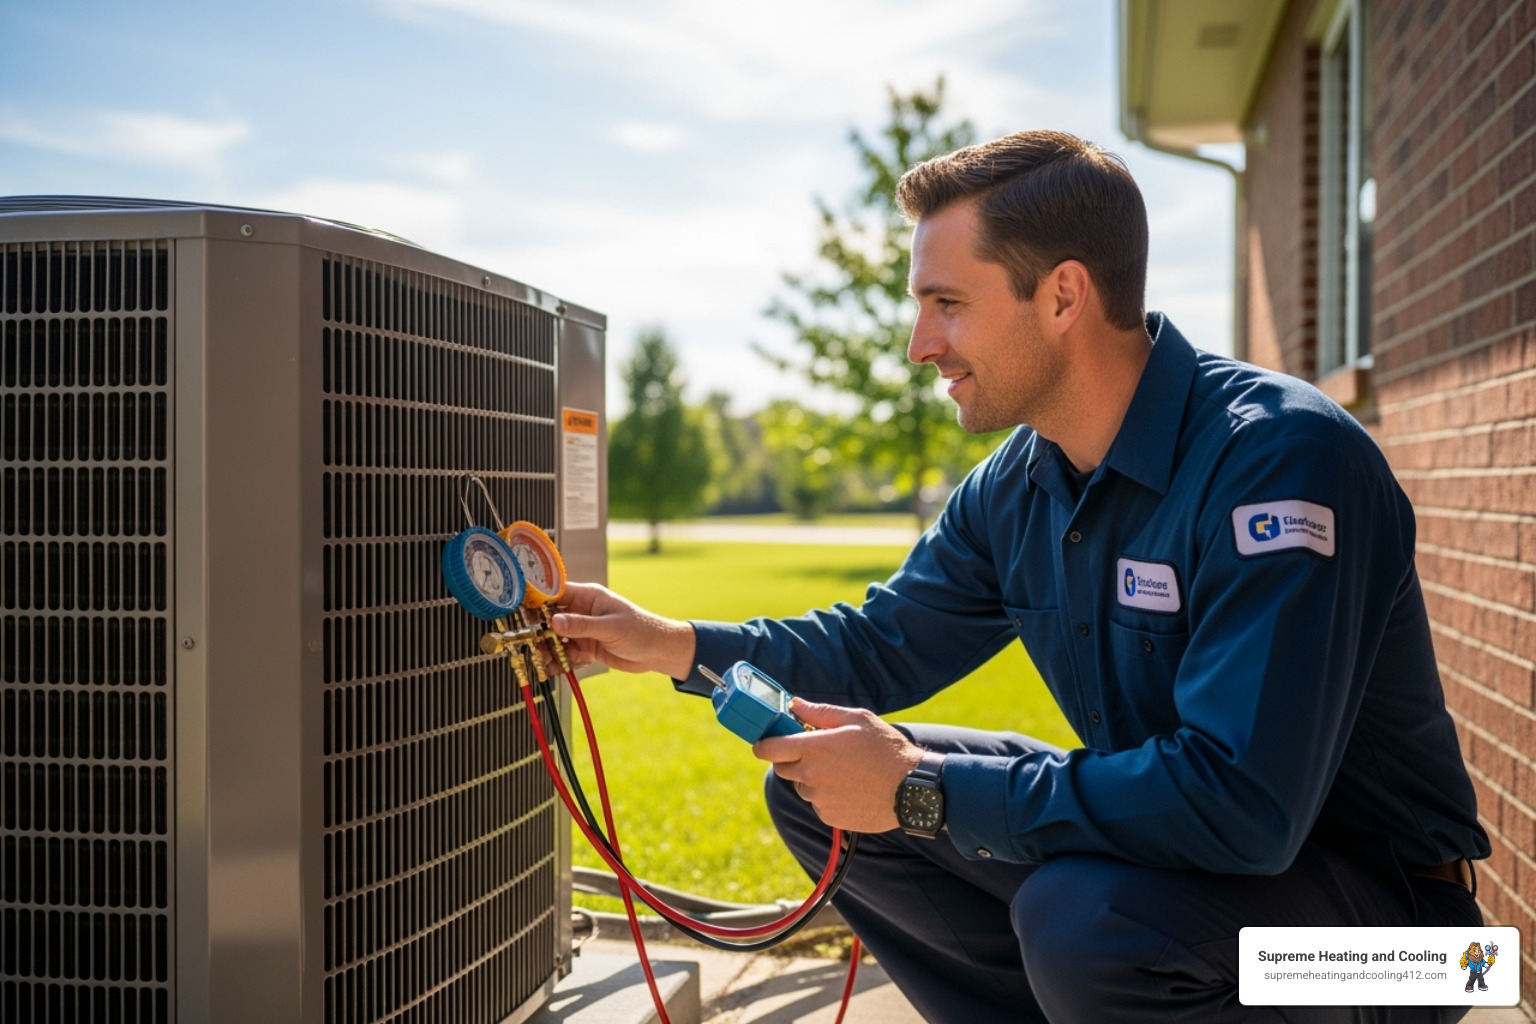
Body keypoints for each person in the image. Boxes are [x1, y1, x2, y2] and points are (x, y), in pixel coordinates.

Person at [551, 130, 1490, 1024]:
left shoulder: (1279, 461)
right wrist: (667, 644)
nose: (920, 344)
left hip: (1403, 943)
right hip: (1201, 881)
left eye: (948, 303)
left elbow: (1242, 807)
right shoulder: (1018, 482)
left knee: (1088, 922)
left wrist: (923, 786)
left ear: (1063, 295)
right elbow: (877, 644)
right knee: (820, 784)